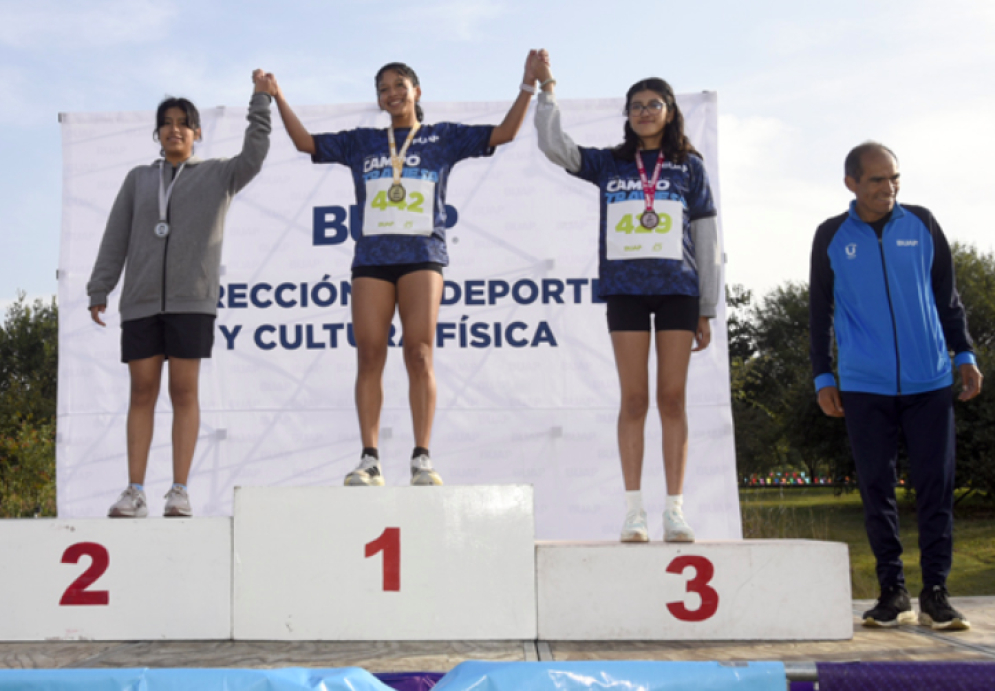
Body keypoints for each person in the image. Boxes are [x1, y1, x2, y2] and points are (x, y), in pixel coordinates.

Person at [262, 53, 539, 486]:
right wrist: (278, 96)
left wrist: (527, 84)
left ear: (416, 91)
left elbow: (504, 133)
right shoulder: (362, 142)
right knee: (370, 354)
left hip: (422, 255)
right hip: (372, 260)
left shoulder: (443, 137)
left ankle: (422, 456)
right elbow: (306, 144)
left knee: (419, 352)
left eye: (399, 86)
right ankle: (369, 458)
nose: (391, 94)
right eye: (383, 89)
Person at [533, 51, 720, 543]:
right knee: (634, 399)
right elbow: (554, 146)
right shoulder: (610, 162)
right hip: (626, 291)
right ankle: (634, 511)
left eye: (653, 104)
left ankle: (674, 510)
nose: (643, 112)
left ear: (670, 112)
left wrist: (707, 307)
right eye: (635, 105)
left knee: (672, 399)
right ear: (627, 115)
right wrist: (547, 90)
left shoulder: (689, 166)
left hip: (678, 291)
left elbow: (706, 238)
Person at [809, 142, 983, 631]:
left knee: (935, 489)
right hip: (864, 384)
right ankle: (892, 591)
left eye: (894, 178)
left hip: (930, 380)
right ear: (851, 183)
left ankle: (936, 593)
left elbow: (948, 297)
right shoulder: (830, 235)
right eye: (877, 180)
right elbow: (819, 311)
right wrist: (823, 375)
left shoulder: (922, 223)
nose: (889, 188)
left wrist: (964, 353)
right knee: (876, 490)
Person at [88, 71, 272, 518]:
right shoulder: (138, 179)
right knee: (142, 392)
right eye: (167, 123)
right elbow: (116, 236)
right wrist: (100, 286)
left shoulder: (218, 174)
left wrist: (261, 102)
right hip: (141, 300)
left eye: (184, 123)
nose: (175, 129)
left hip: (192, 299)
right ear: (157, 133)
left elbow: (254, 155)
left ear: (197, 133)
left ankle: (179, 490)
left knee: (184, 391)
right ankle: (135, 491)